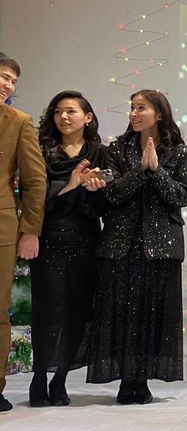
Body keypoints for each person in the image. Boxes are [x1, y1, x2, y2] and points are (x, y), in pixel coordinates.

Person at [86, 90, 187, 406]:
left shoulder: (180, 151)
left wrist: (156, 170)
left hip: (161, 245)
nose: (133, 113)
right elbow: (111, 195)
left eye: (141, 108)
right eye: (132, 108)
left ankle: (142, 379)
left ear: (159, 114)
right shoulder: (116, 149)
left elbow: (181, 196)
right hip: (120, 242)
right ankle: (126, 380)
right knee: (121, 312)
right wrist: (141, 170)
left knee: (151, 313)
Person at [29, 91, 109, 407]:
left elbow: (105, 205)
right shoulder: (42, 150)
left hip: (86, 239)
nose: (63, 117)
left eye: (71, 111)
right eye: (58, 111)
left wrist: (95, 189)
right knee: (47, 311)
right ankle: (38, 377)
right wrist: (71, 185)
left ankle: (60, 378)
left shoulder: (99, 153)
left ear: (87, 117)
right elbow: (34, 196)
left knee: (77, 310)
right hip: (49, 238)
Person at [0, 52, 46, 413]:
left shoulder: (19, 122)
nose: (7, 84)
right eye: (3, 76)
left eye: (13, 80)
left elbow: (35, 180)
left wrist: (30, 230)